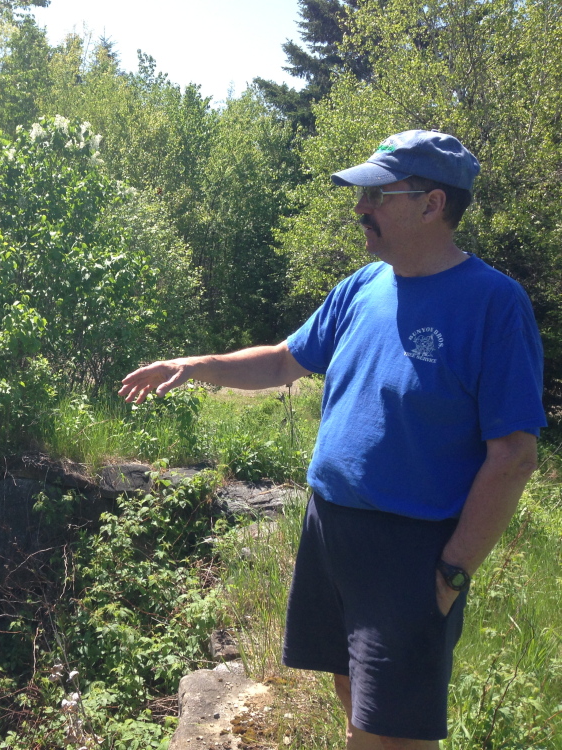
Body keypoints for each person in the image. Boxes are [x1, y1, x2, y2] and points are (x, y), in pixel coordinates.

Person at [119, 130, 546, 749]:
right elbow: (282, 361)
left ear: (431, 204)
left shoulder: (494, 304)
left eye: (376, 194)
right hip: (331, 531)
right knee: (353, 702)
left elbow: (515, 455)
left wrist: (452, 571)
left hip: (412, 548)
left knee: (395, 731)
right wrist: (198, 365)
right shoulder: (363, 286)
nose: (360, 208)